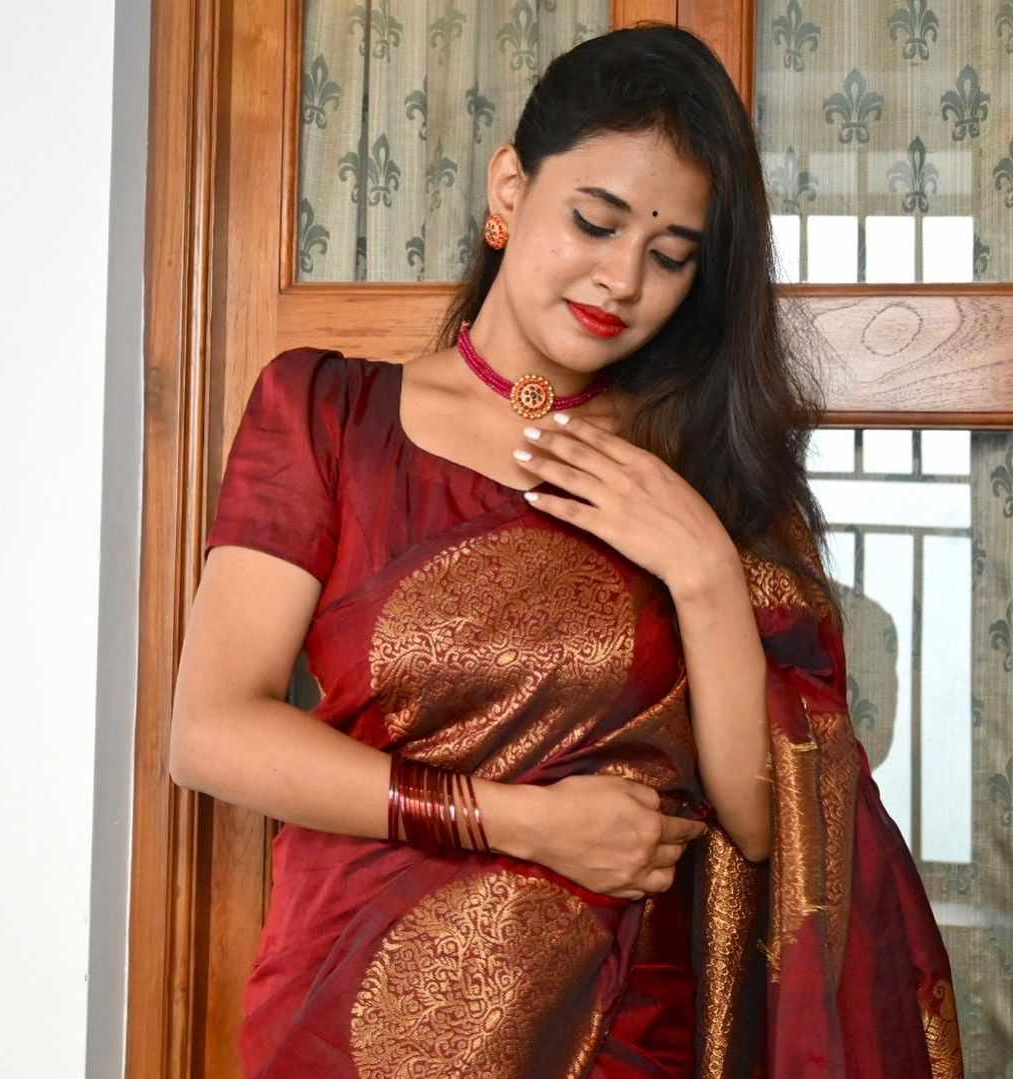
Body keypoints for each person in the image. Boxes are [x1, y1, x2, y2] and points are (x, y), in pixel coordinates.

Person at [170, 23, 964, 1079]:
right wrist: (520, 822)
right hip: (345, 1015)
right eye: (595, 221)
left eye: (670, 256)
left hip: (625, 1031)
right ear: (509, 188)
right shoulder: (330, 413)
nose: (621, 278)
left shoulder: (703, 465)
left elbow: (768, 823)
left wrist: (702, 568)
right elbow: (212, 733)